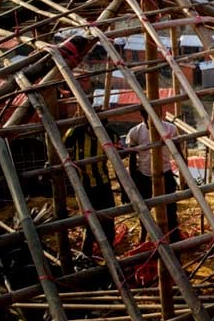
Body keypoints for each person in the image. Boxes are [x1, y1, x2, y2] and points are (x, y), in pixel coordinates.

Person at [63, 119, 118, 257]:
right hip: (83, 185)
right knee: (89, 221)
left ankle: (109, 253)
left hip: (103, 183)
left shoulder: (110, 135)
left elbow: (117, 161)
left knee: (108, 218)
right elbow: (61, 150)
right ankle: (86, 255)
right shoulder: (75, 133)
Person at [126, 109, 180, 243]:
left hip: (165, 172)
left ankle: (173, 238)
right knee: (144, 210)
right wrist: (133, 181)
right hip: (144, 175)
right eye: (146, 117)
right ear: (142, 115)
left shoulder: (170, 129)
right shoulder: (135, 132)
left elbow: (178, 152)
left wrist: (184, 171)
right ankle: (144, 236)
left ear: (159, 115)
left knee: (170, 209)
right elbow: (132, 159)